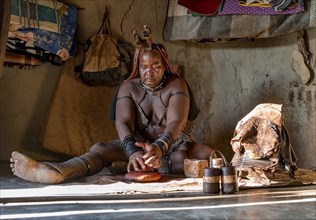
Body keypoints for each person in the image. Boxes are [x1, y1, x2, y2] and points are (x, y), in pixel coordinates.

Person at [10, 27, 213, 184]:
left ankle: (143, 166)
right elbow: (123, 121)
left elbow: (177, 121)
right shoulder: (128, 87)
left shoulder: (176, 84)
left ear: (165, 66)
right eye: (144, 67)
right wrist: (132, 151)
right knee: (101, 148)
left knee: (205, 155)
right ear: (137, 66)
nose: (149, 72)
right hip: (137, 147)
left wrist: (160, 148)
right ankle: (58, 172)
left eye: (156, 66)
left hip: (173, 145)